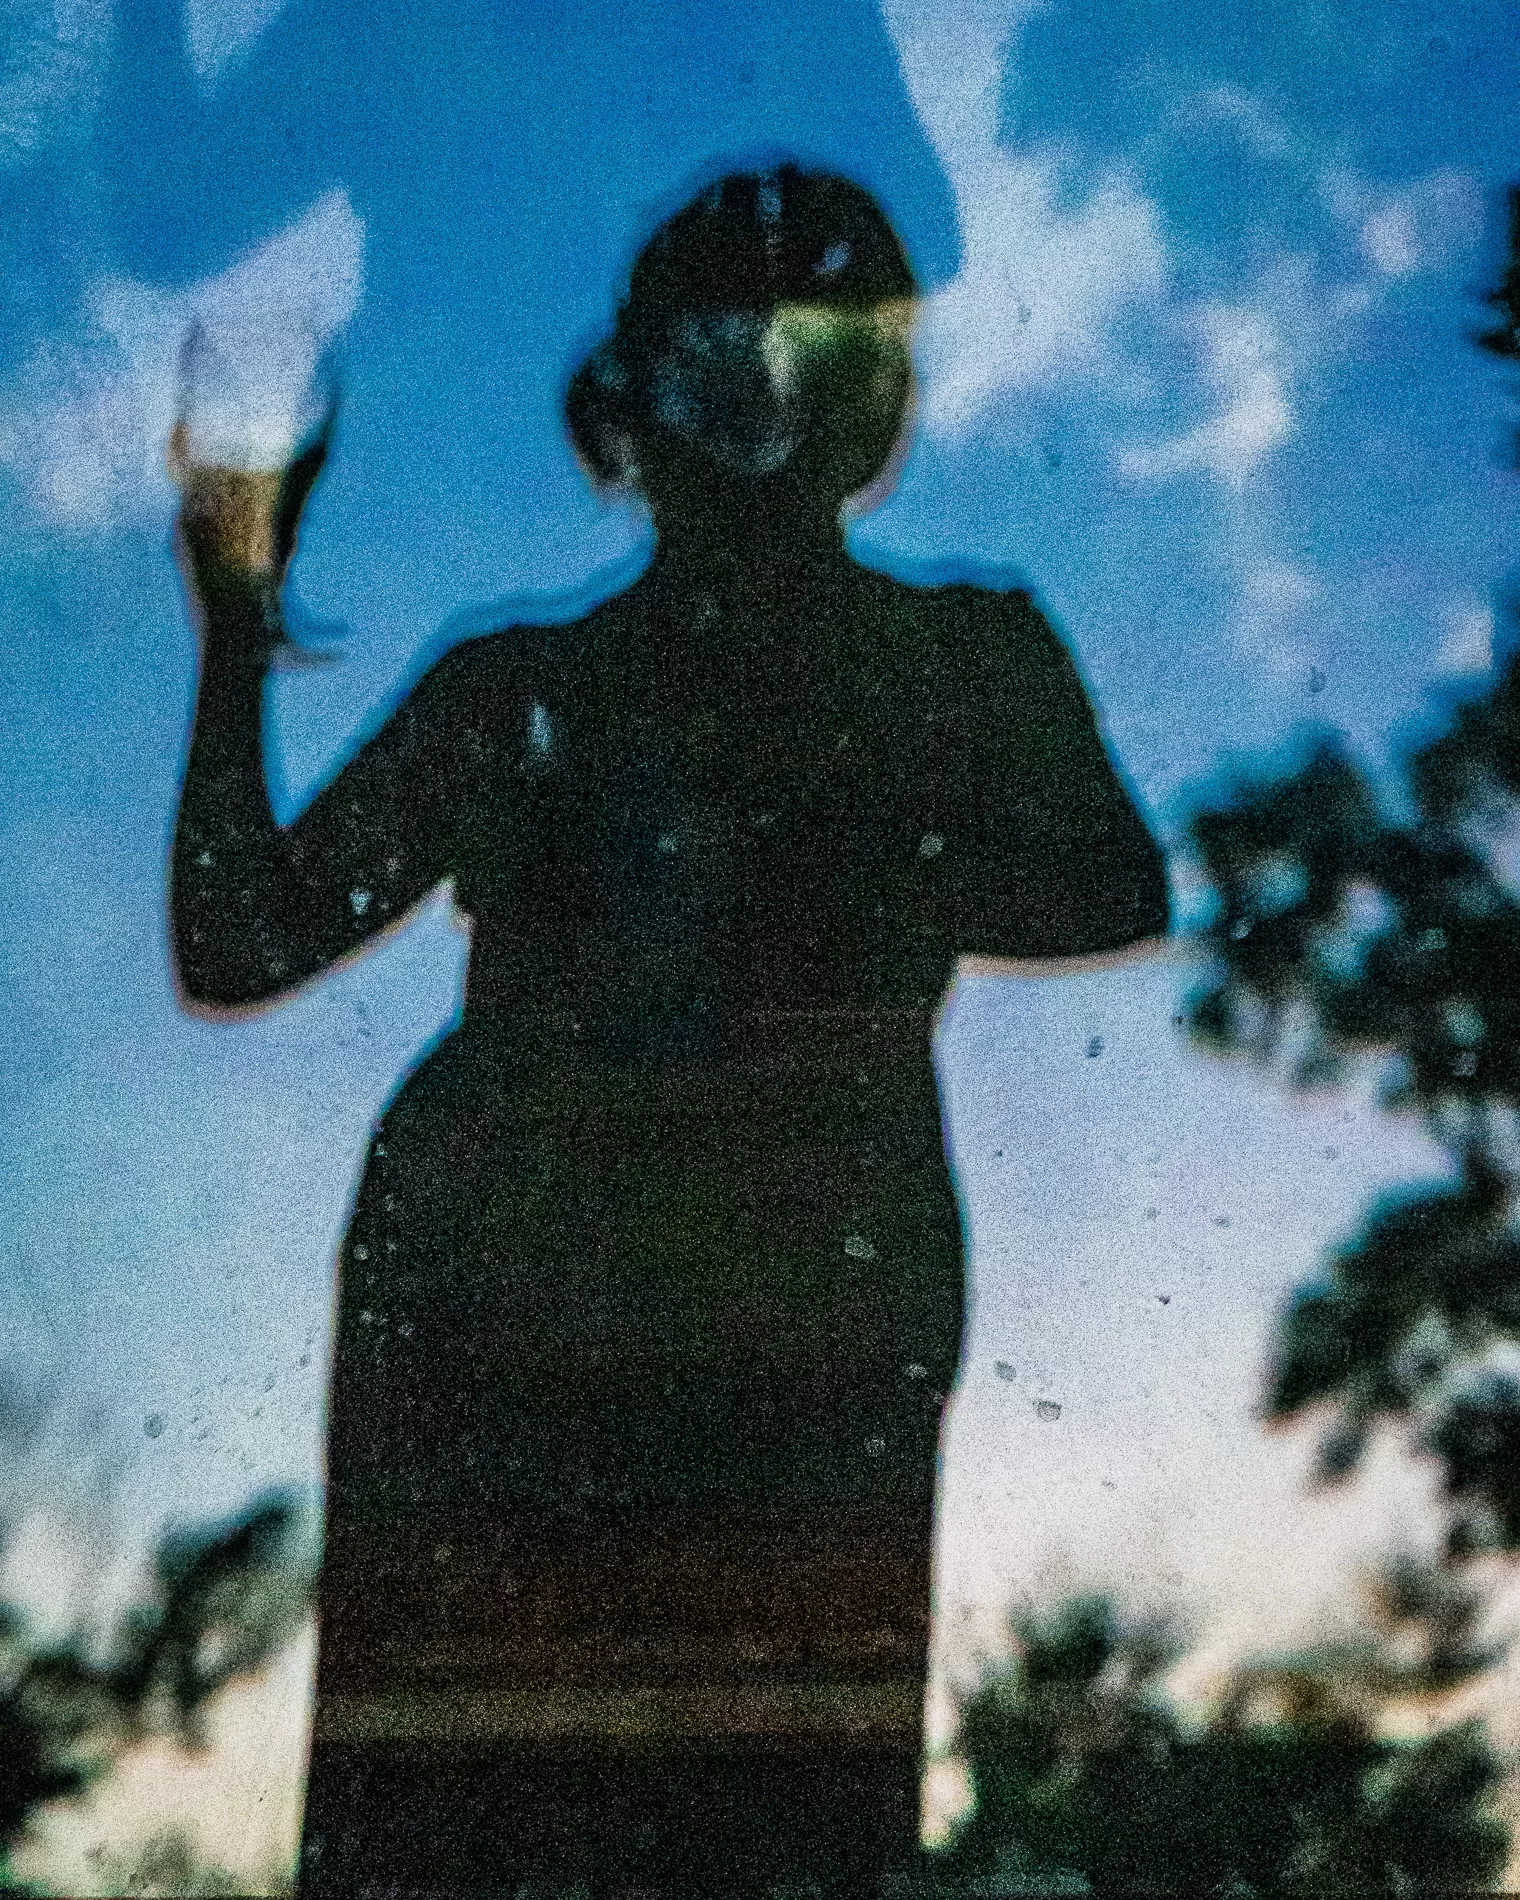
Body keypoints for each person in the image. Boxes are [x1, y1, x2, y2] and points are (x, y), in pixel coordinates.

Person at [170, 165, 1169, 1898]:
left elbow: (1107, 888)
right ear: (645, 399)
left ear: (876, 406)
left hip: (783, 1306)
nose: (775, 400)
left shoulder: (947, 657)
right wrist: (235, 618)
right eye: (732, 356)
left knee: (765, 1815)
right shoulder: (532, 688)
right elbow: (244, 940)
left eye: (830, 355)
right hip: (515, 1309)